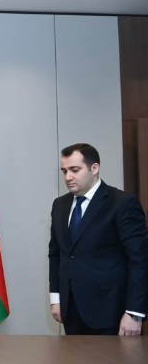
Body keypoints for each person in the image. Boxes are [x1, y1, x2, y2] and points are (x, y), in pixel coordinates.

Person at [48, 143, 148, 335]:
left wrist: (134, 313)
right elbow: (56, 254)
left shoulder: (122, 203)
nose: (68, 177)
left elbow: (139, 260)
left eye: (75, 170)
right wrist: (56, 298)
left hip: (111, 313)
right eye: (64, 171)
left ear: (94, 168)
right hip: (71, 311)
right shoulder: (60, 205)